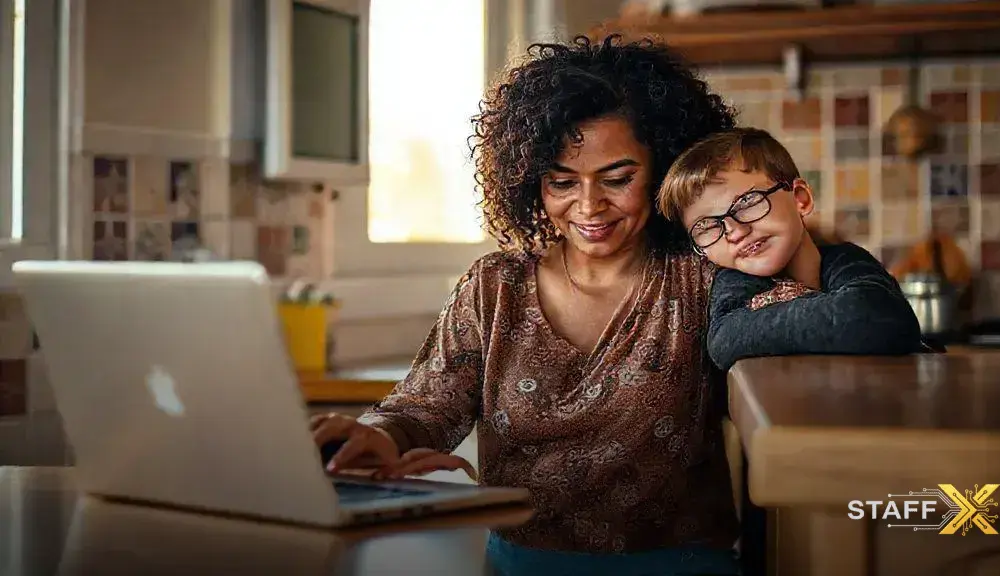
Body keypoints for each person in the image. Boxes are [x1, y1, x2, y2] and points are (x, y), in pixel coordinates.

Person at [309, 37, 903, 575]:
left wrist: (828, 252)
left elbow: (817, 302)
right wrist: (379, 436)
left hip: (682, 567)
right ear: (530, 183)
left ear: (662, 170)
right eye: (562, 182)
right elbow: (427, 403)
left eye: (617, 178)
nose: (589, 206)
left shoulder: (705, 277)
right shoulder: (495, 286)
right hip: (518, 568)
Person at [656, 127, 924, 371]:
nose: (735, 232)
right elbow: (725, 340)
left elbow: (880, 317)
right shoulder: (734, 280)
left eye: (748, 202)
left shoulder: (847, 259)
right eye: (706, 227)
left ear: (800, 199)